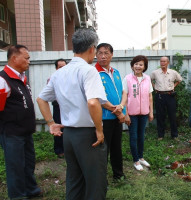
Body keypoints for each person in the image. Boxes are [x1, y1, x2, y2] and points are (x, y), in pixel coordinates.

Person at [37, 28, 108, 200]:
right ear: (92, 48)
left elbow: (41, 99)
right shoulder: (89, 71)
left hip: (68, 135)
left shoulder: (60, 72)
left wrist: (50, 123)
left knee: (74, 180)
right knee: (96, 182)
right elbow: (93, 102)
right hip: (87, 135)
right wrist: (99, 129)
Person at [0, 45, 42, 199]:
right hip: (12, 133)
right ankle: (18, 195)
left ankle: (30, 189)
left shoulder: (22, 78)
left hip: (25, 131)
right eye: (26, 58)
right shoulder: (3, 79)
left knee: (29, 163)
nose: (28, 61)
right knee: (15, 166)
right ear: (14, 58)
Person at [95, 43, 126, 180]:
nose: (103, 56)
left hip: (117, 118)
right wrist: (119, 112)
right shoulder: (94, 73)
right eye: (100, 53)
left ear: (112, 55)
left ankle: (118, 175)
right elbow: (98, 99)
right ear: (96, 55)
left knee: (116, 148)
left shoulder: (116, 73)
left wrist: (122, 107)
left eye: (106, 53)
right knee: (102, 151)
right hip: (103, 119)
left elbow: (123, 92)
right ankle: (101, 179)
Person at [123, 55, 154, 171]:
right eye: (136, 64)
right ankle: (135, 161)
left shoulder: (147, 78)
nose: (138, 66)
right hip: (132, 113)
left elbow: (150, 96)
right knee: (133, 136)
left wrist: (151, 112)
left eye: (141, 64)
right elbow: (124, 96)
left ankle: (141, 157)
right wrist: (125, 114)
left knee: (141, 136)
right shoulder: (127, 78)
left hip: (144, 112)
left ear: (144, 66)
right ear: (132, 66)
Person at [150, 56, 182, 140]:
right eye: (161, 61)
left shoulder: (173, 72)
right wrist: (154, 87)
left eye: (164, 61)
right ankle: (160, 135)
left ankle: (174, 135)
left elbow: (179, 80)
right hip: (159, 95)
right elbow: (149, 80)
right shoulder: (155, 73)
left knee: (172, 116)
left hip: (170, 95)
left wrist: (173, 86)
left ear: (168, 63)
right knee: (160, 116)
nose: (162, 63)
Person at [52, 59, 67, 158]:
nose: (63, 69)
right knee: (58, 127)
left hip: (68, 107)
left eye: (64, 66)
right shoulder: (52, 79)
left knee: (68, 128)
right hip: (58, 106)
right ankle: (59, 149)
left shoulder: (70, 78)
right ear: (56, 68)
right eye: (60, 67)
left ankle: (67, 148)